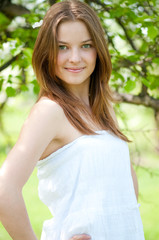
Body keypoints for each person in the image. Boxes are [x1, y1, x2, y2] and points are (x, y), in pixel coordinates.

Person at [0, 0, 145, 239]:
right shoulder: (49, 111)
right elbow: (4, 190)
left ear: (98, 50)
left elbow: (125, 193)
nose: (75, 58)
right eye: (63, 47)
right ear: (47, 52)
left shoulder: (104, 108)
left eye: (86, 45)